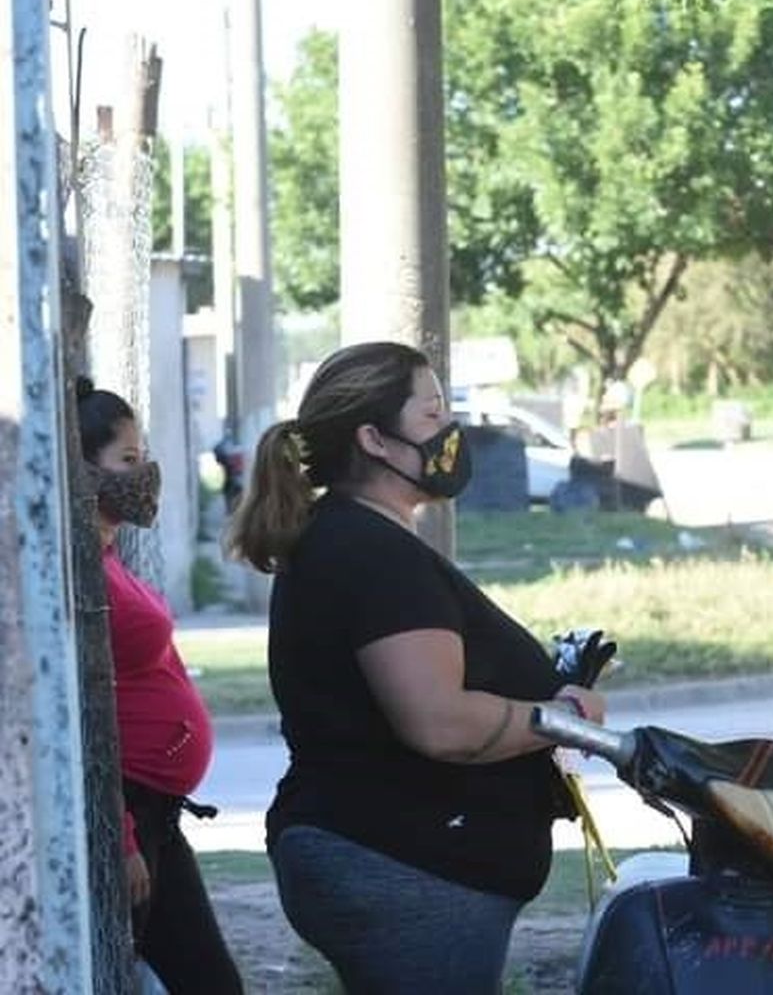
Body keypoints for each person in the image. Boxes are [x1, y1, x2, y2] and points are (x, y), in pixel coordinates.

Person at [224, 341, 606, 993]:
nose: (450, 433)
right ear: (374, 438)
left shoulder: (350, 538)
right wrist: (561, 719)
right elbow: (440, 722)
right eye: (432, 417)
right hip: (408, 865)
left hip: (397, 858)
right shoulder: (372, 553)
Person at [75, 378, 244, 994]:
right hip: (130, 812)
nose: (144, 472)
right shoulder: (75, 571)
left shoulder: (109, 551)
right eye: (127, 459)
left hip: (157, 817)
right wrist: (118, 834)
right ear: (81, 468)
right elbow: (81, 713)